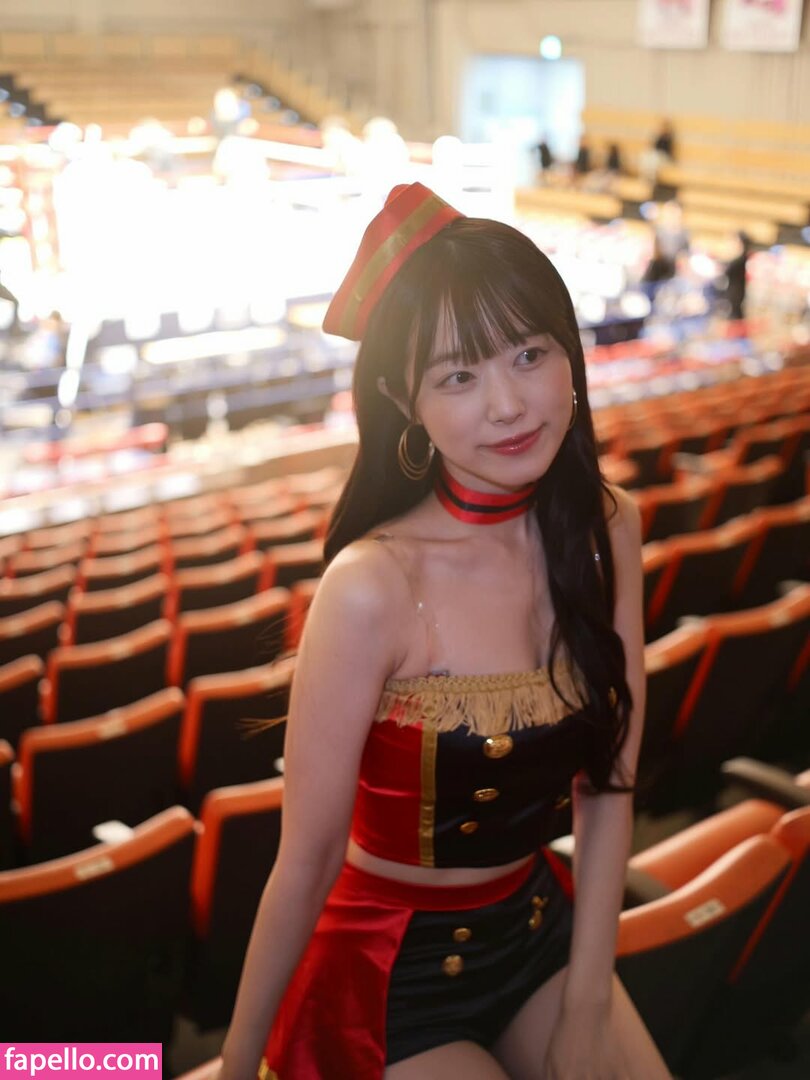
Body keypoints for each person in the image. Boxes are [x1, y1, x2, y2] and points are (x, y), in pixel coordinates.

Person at [219, 183, 672, 1080]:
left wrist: (587, 1003)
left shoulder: (607, 527)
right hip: (387, 970)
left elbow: (608, 785)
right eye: (458, 376)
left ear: (571, 353)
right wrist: (238, 1066)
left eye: (529, 353)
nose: (508, 404)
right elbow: (306, 859)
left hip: (539, 928)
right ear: (405, 399)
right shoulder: (369, 588)